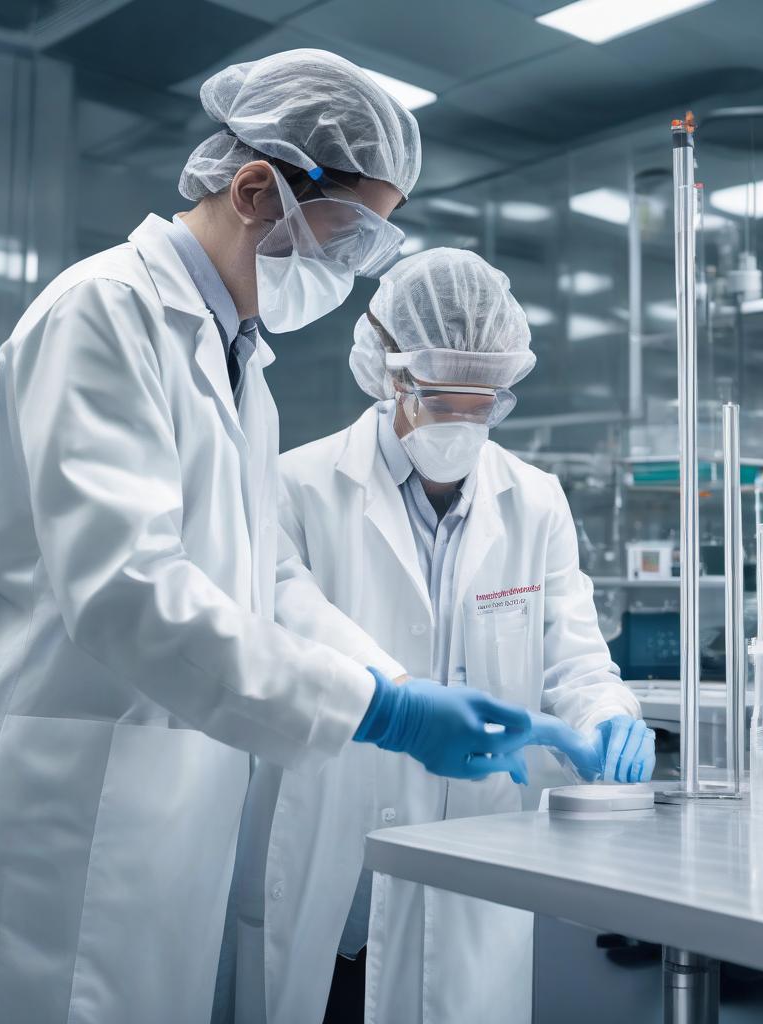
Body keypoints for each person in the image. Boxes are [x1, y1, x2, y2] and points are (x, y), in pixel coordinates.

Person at [0, 52, 539, 1024]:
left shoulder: (241, 362)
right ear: (253, 191)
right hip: (80, 804)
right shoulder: (103, 312)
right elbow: (129, 590)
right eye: (349, 236)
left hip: (176, 808)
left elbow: (268, 585)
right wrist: (378, 711)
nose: (352, 271)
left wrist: (397, 687)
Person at [246, 247, 655, 1024]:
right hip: (336, 876)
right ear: (390, 375)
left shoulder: (535, 501)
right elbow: (286, 627)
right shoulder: (297, 486)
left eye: (484, 402)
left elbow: (573, 656)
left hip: (477, 874)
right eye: (441, 398)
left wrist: (607, 714)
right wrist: (401, 703)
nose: (463, 421)